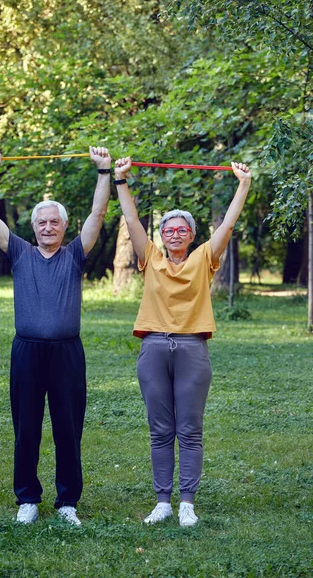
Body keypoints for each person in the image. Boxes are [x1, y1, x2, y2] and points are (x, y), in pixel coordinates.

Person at [113, 157, 251, 526]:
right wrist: (121, 180)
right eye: (168, 230)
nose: (175, 234)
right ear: (161, 236)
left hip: (192, 349)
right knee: (160, 430)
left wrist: (243, 184)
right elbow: (131, 222)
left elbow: (228, 224)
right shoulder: (151, 259)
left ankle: (186, 501)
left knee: (189, 429)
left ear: (191, 235)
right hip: (154, 349)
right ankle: (162, 501)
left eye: (182, 230)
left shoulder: (205, 258)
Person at [0, 146, 112, 525]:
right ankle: (28, 499)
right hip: (27, 352)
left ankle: (67, 501)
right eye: (42, 222)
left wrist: (104, 171)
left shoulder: (75, 254)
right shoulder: (20, 252)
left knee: (68, 429)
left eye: (55, 222)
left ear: (64, 227)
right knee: (26, 427)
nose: (48, 227)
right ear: (34, 227)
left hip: (67, 353)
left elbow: (99, 215)